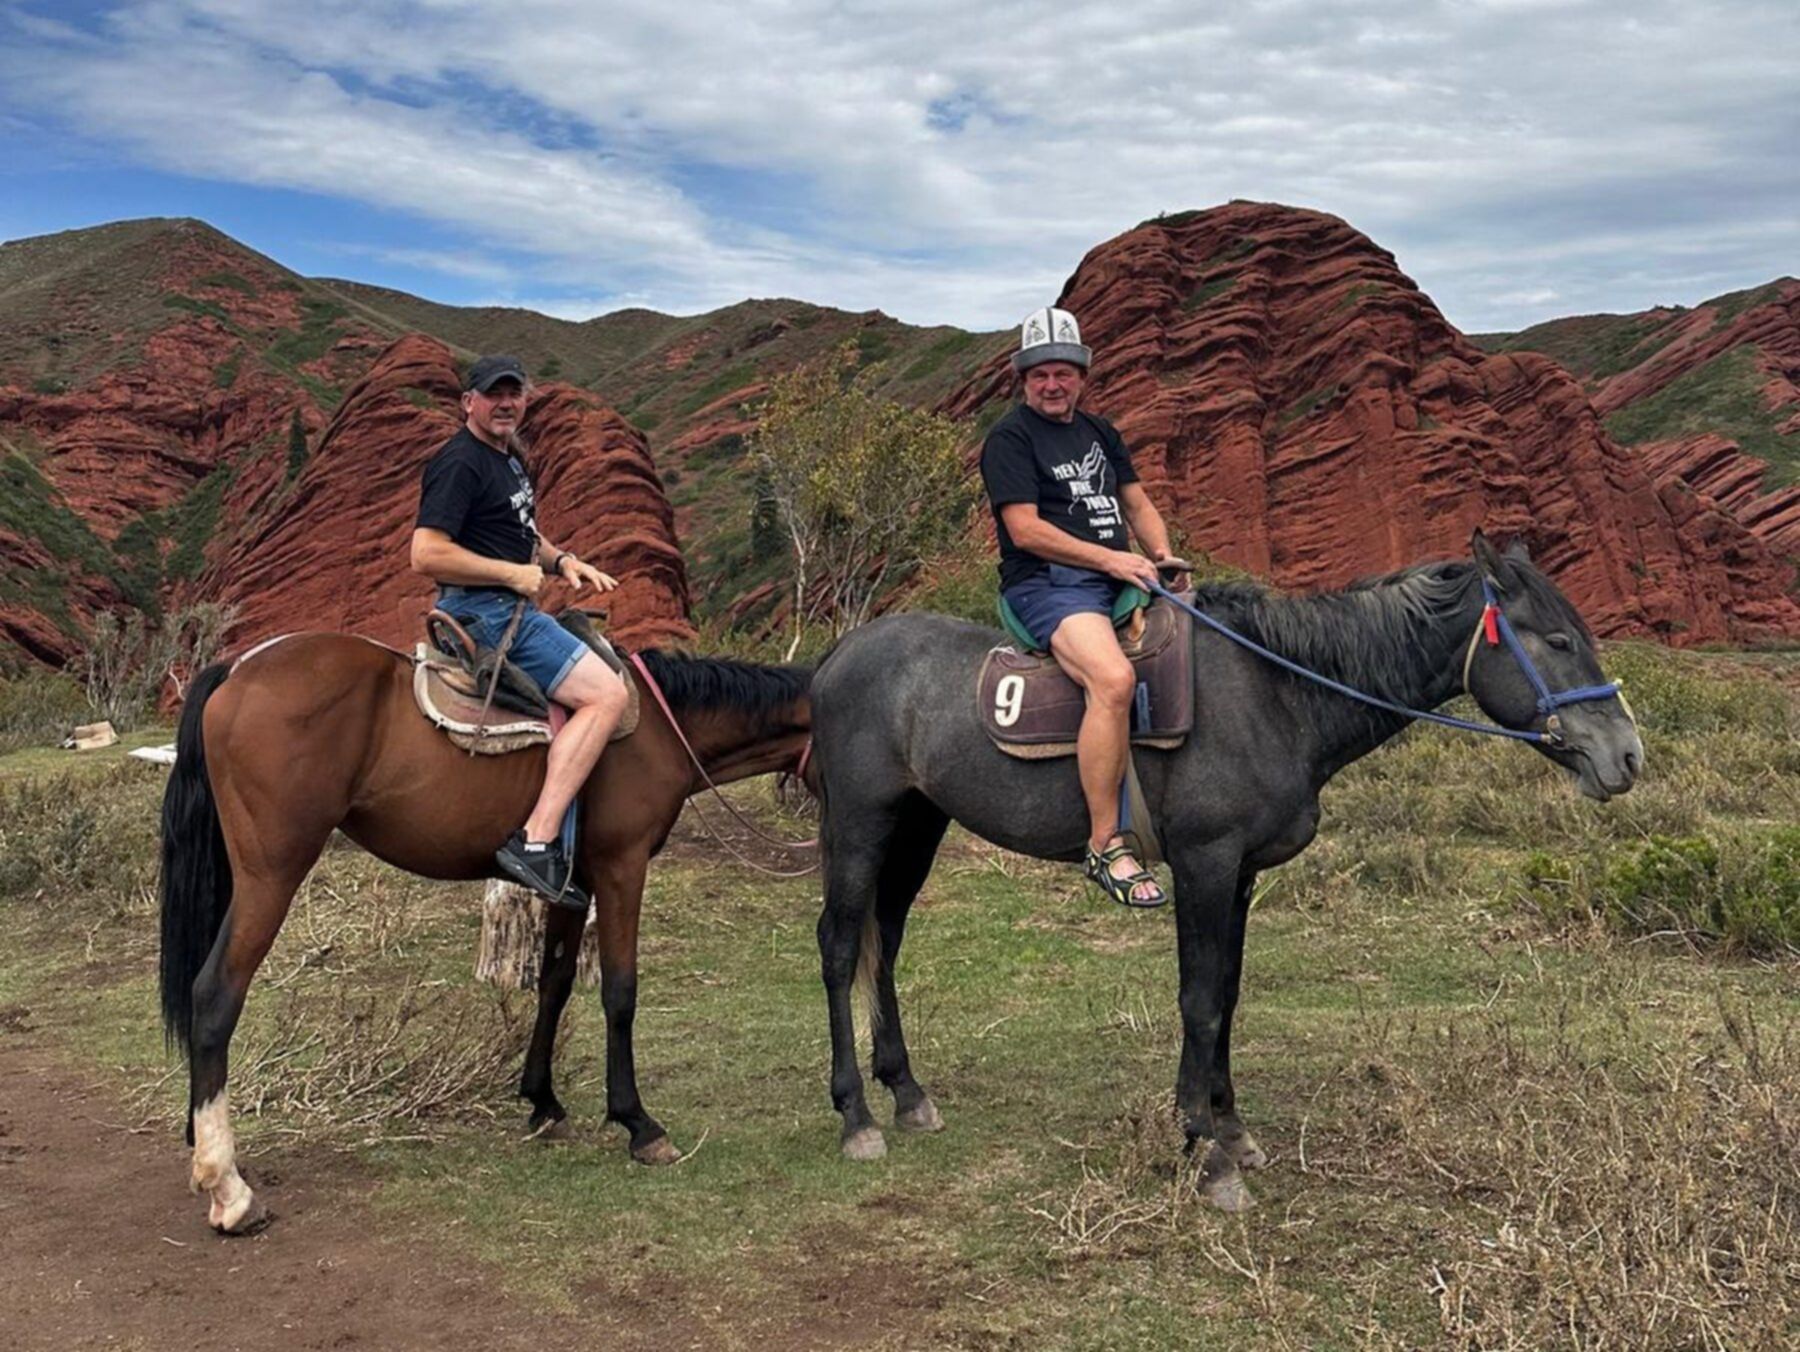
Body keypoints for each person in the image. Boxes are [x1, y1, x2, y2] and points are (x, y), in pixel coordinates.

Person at [979, 308, 1188, 908]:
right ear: (1024, 379)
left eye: (1063, 374)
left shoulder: (1100, 433)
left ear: (1081, 376)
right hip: (1048, 585)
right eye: (1040, 374)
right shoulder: (1010, 440)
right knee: (1114, 678)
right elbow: (1025, 530)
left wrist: (1161, 553)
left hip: (1114, 578)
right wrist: (1114, 561)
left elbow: (1137, 504)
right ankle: (1105, 844)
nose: (1052, 385)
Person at [411, 354, 630, 911]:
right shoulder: (460, 462)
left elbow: (521, 533)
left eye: (516, 393)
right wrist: (512, 575)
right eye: (494, 394)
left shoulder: (509, 458)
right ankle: (537, 840)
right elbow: (426, 552)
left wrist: (563, 563)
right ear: (470, 402)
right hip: (487, 611)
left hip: (507, 600)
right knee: (608, 695)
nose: (506, 403)